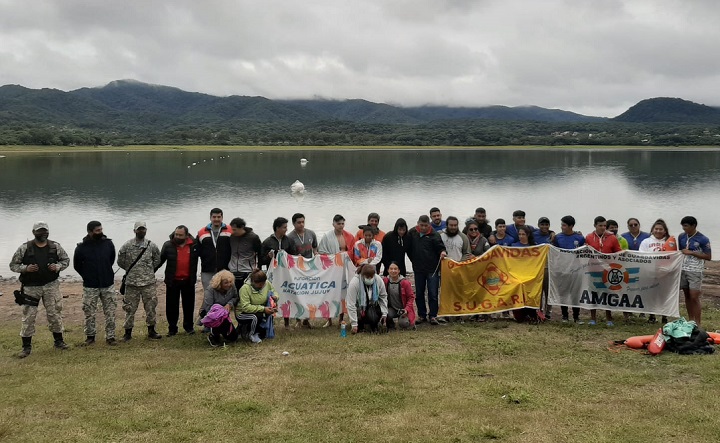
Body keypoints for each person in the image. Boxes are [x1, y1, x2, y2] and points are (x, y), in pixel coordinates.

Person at [9, 221, 71, 358]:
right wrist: (26, 268)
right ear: (34, 232)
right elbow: (13, 265)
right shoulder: (24, 248)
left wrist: (57, 267)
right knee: (29, 317)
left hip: (51, 286)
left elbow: (66, 260)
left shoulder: (55, 246)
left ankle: (59, 342)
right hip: (31, 287)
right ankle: (26, 348)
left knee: (54, 314)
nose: (43, 233)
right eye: (40, 231)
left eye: (45, 231)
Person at [73, 221, 117, 346]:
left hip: (107, 283)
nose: (100, 232)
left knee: (110, 311)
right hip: (90, 285)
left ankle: (110, 337)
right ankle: (90, 337)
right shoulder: (81, 247)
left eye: (101, 229)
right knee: (89, 312)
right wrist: (87, 275)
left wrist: (105, 271)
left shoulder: (108, 244)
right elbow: (77, 265)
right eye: (97, 230)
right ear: (90, 231)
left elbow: (111, 259)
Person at [117, 222, 162, 341]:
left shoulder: (151, 245)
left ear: (146, 230)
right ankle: (127, 333)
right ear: (134, 231)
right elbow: (120, 261)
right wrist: (132, 270)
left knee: (151, 307)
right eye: (139, 229)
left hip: (148, 283)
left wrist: (148, 270)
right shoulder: (127, 245)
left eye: (143, 229)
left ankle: (152, 331)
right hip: (131, 283)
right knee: (129, 308)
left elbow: (157, 260)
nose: (141, 231)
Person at [158, 225, 199, 336]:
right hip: (173, 281)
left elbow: (205, 256)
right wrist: (150, 272)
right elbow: (160, 261)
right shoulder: (168, 245)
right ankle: (172, 328)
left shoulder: (194, 245)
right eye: (176, 234)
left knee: (189, 305)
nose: (178, 237)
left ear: (186, 235)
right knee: (171, 306)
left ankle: (189, 327)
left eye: (180, 235)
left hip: (188, 280)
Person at [407, 214, 447, 325]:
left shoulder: (434, 234)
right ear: (418, 224)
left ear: (429, 225)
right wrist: (413, 259)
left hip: (432, 269)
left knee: (433, 293)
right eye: (421, 225)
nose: (423, 228)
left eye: (425, 225)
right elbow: (407, 247)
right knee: (419, 293)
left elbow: (441, 247)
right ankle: (421, 315)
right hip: (418, 268)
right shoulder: (412, 233)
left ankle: (433, 315)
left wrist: (443, 252)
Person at [317, 214, 356, 327]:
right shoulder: (327, 237)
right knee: (330, 293)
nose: (341, 226)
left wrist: (344, 255)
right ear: (333, 224)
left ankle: (341, 318)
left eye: (342, 223)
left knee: (343, 293)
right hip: (331, 269)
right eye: (338, 224)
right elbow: (321, 252)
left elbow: (353, 252)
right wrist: (334, 257)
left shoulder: (349, 236)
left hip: (344, 268)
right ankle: (329, 319)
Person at [585, 216, 622, 326]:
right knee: (593, 293)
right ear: (595, 225)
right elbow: (584, 252)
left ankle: (609, 318)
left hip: (608, 270)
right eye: (600, 225)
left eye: (604, 226)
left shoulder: (612, 238)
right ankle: (593, 318)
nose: (603, 228)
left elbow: (618, 252)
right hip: (593, 270)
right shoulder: (589, 237)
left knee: (608, 294)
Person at [639, 219, 677, 324]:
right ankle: (652, 315)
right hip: (650, 272)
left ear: (665, 231)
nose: (658, 231)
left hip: (665, 273)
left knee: (664, 295)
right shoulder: (646, 242)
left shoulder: (669, 242)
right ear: (652, 230)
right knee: (651, 294)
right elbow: (641, 255)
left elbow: (674, 256)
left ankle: (665, 316)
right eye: (656, 229)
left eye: (661, 229)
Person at [677, 216, 712, 326]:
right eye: (683, 226)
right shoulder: (681, 236)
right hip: (683, 269)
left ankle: (698, 323)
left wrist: (692, 253)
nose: (684, 228)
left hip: (695, 270)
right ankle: (691, 320)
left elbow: (708, 256)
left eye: (686, 226)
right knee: (687, 295)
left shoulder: (703, 239)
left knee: (694, 296)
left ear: (693, 226)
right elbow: (680, 251)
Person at [552, 215, 586, 323]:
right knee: (563, 293)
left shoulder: (580, 238)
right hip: (562, 269)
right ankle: (565, 316)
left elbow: (583, 253)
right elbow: (554, 251)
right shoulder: (557, 237)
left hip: (575, 269)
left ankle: (576, 317)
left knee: (575, 294)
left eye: (564, 225)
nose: (562, 227)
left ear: (571, 226)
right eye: (561, 225)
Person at [200, 270, 239, 347]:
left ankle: (223, 331)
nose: (229, 284)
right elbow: (208, 307)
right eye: (226, 283)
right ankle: (213, 334)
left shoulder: (232, 287)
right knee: (220, 324)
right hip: (212, 315)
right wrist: (220, 311)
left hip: (225, 315)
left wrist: (229, 304)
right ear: (219, 283)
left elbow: (235, 297)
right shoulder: (210, 290)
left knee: (233, 337)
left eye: (230, 282)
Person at [237, 270, 278, 343]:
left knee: (263, 334)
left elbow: (273, 291)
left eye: (263, 284)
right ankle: (251, 334)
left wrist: (275, 297)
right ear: (253, 282)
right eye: (260, 284)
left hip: (259, 310)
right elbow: (246, 307)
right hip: (242, 313)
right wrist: (263, 309)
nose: (262, 286)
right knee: (255, 317)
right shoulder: (244, 289)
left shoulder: (267, 283)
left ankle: (250, 330)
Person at [197, 208, 232, 292]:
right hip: (207, 269)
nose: (216, 219)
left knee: (225, 292)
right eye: (214, 217)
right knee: (208, 292)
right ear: (210, 218)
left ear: (222, 218)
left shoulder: (230, 230)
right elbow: (197, 251)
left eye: (219, 217)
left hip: (225, 268)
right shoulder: (202, 232)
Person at [346, 264, 388, 333]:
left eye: (371, 277)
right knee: (362, 319)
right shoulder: (354, 283)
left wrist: (384, 314)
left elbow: (383, 296)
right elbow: (351, 304)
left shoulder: (378, 279)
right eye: (367, 277)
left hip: (373, 306)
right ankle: (360, 323)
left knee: (376, 319)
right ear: (362, 275)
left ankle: (374, 324)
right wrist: (354, 324)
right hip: (360, 308)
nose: (370, 279)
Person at [228, 217, 261, 289]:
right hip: (233, 270)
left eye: (234, 230)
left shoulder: (253, 238)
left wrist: (259, 268)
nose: (233, 231)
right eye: (232, 229)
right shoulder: (231, 237)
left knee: (246, 291)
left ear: (242, 227)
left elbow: (259, 253)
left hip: (247, 271)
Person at [382, 262, 416, 330]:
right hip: (392, 309)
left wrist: (406, 309)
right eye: (391, 269)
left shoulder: (405, 282)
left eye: (395, 269)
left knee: (404, 324)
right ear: (388, 270)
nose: (393, 271)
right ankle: (391, 324)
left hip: (403, 309)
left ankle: (410, 322)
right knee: (386, 314)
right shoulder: (385, 281)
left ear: (399, 270)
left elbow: (411, 297)